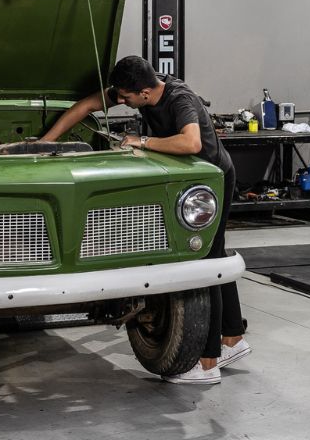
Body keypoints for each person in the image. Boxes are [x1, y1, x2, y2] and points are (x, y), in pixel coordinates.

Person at [42, 55, 250, 384]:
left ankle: (206, 364)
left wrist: (141, 141)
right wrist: (44, 143)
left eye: (125, 97)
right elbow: (86, 106)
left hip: (212, 180)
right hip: (191, 180)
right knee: (216, 256)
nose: (120, 102)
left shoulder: (180, 99)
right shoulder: (142, 88)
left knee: (205, 265)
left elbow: (191, 142)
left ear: (143, 93)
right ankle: (233, 339)